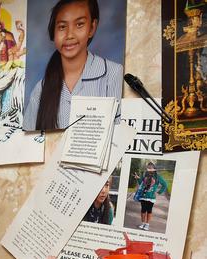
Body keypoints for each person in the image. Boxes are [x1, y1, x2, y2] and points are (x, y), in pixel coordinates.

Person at [23, 0, 123, 131]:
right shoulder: (40, 89)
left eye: (79, 24)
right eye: (62, 27)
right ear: (53, 31)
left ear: (92, 28)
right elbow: (28, 142)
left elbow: (121, 137)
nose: (69, 35)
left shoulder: (114, 74)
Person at [134, 161, 168, 231]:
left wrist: (159, 192)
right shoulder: (145, 176)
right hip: (143, 196)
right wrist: (138, 178)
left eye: (151, 168)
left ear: (154, 169)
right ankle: (143, 223)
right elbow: (141, 184)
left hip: (151, 198)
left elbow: (165, 184)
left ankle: (147, 224)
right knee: (143, 210)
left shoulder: (157, 177)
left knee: (149, 211)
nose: (149, 169)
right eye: (148, 168)